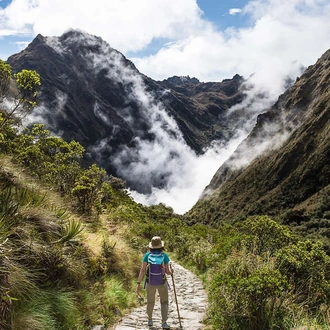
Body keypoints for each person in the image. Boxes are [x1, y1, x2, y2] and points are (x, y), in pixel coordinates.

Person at [136, 236, 173, 329]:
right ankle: (164, 322)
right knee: (164, 302)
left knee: (150, 301)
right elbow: (168, 272)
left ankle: (150, 320)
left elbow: (143, 270)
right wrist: (172, 271)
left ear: (151, 246)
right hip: (162, 282)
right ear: (161, 246)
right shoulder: (164, 256)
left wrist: (138, 283)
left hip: (150, 282)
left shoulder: (147, 255)